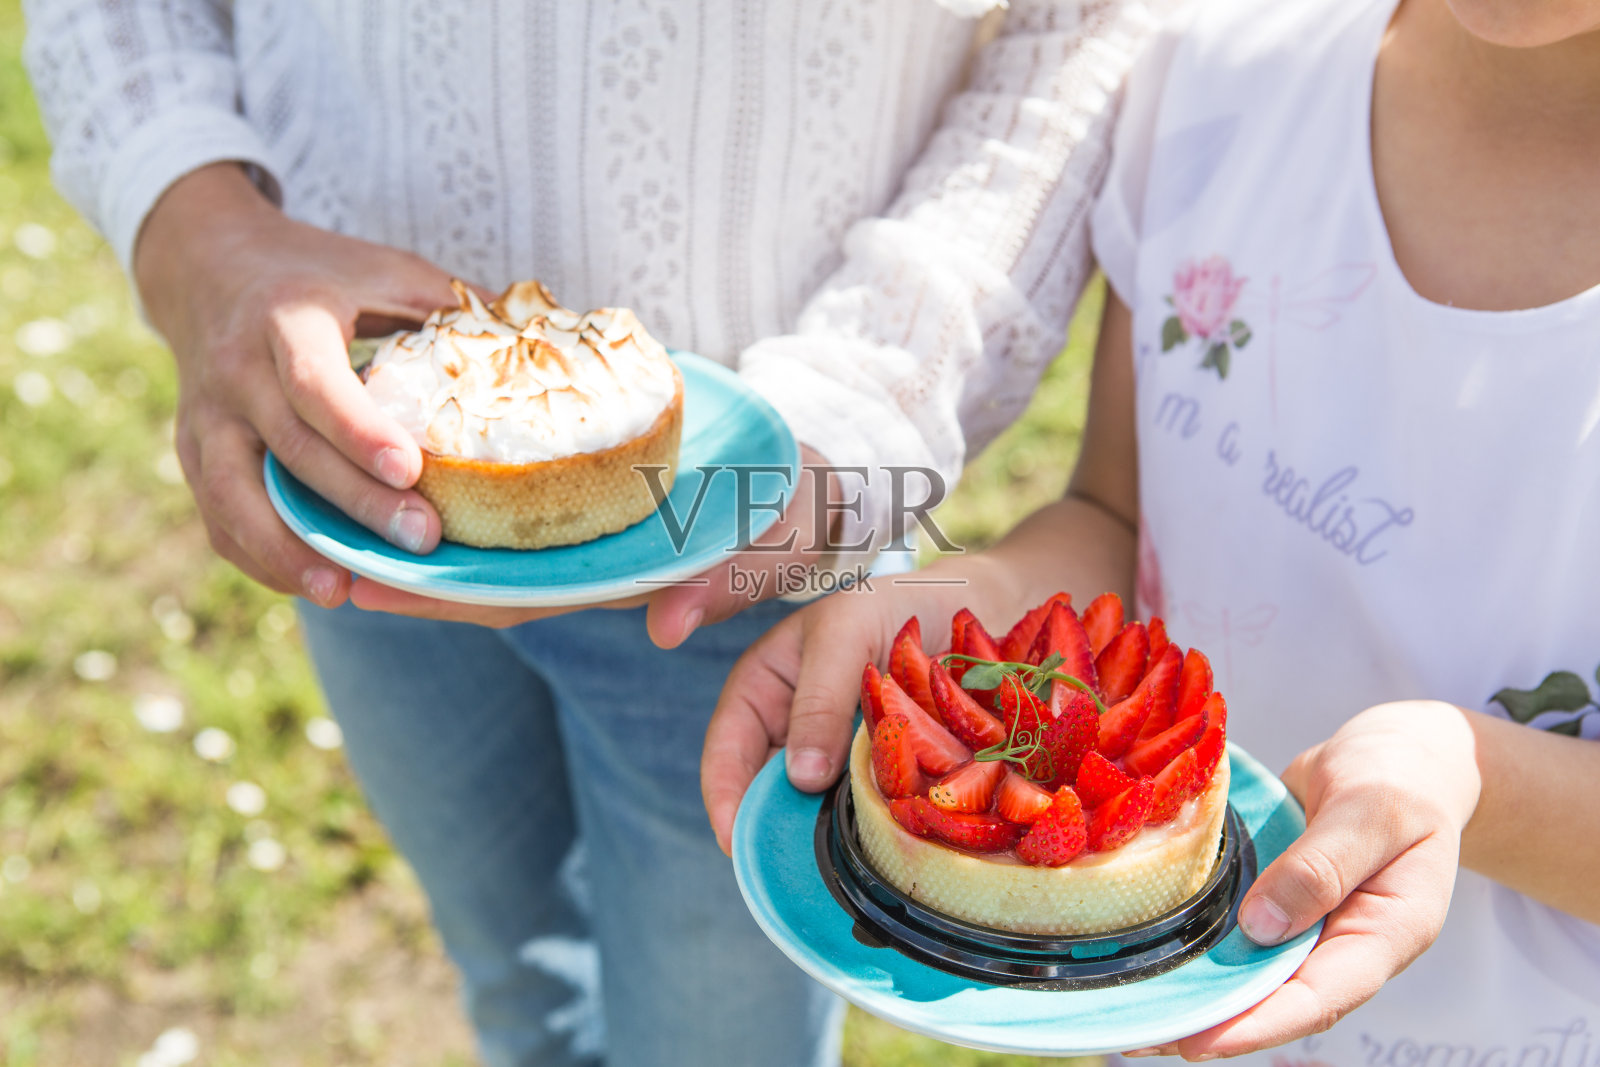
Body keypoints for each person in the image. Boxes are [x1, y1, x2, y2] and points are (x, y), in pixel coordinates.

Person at [22, 1, 1166, 1063]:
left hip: (753, 545)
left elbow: (1089, 29)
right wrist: (196, 225)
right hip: (362, 476)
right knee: (517, 982)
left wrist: (868, 395)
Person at [703, 0, 1600, 1057]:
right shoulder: (1217, 82)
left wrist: (1471, 779)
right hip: (1163, 995)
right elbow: (1116, 511)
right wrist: (976, 599)